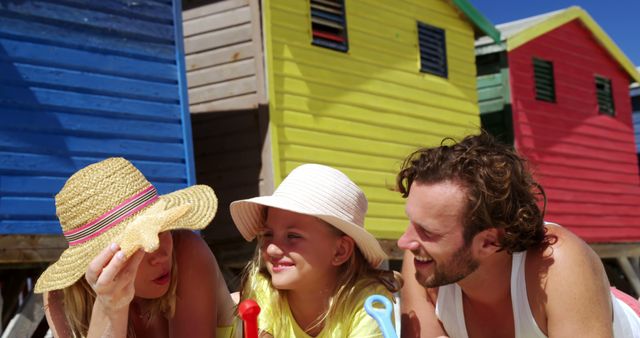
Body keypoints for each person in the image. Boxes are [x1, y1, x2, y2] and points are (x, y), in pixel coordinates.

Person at [396, 132, 640, 338]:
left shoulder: (558, 265)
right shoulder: (421, 262)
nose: (404, 241)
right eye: (412, 222)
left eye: (427, 231)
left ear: (490, 241)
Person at [35, 157, 236, 337]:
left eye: (161, 230)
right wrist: (110, 307)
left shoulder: (187, 253)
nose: (159, 254)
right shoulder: (60, 299)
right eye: (136, 245)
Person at [230, 163, 402, 337]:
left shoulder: (368, 302)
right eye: (268, 234)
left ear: (340, 251)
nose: (272, 249)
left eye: (293, 236)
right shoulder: (264, 290)